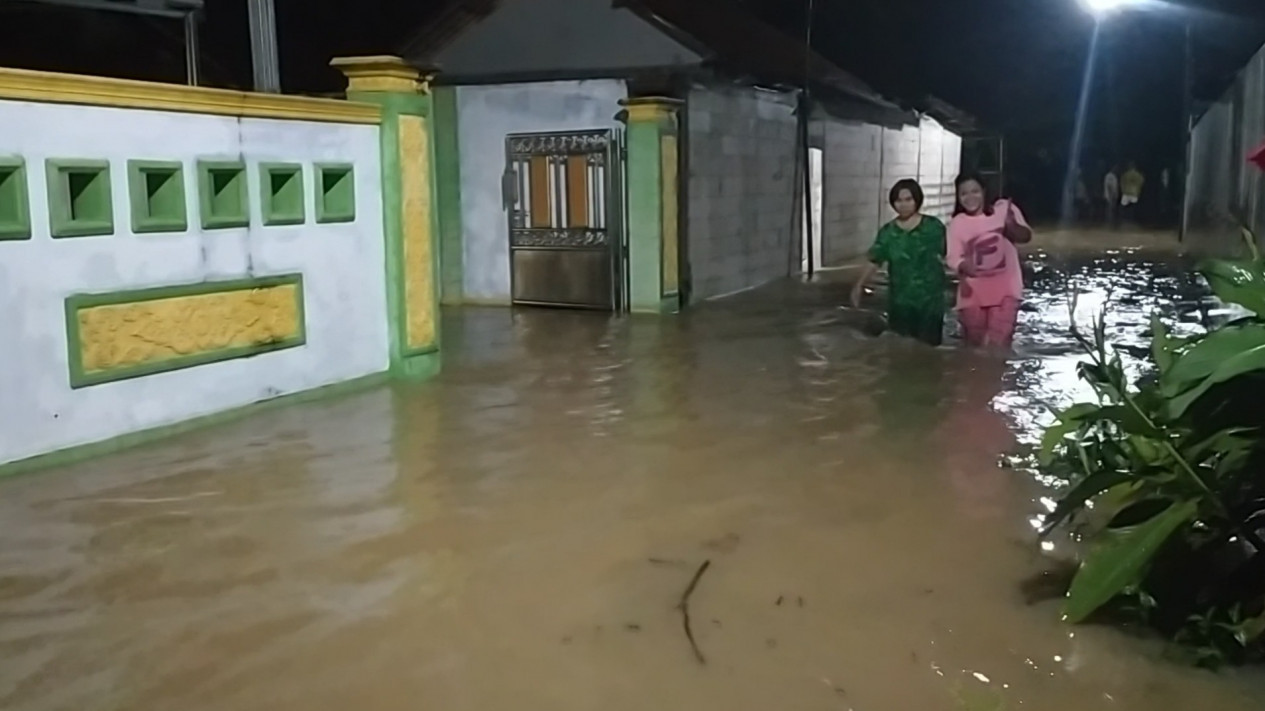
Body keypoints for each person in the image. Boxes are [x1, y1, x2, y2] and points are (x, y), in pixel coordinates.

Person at [851, 179, 947, 346]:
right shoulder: (888, 232)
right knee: (901, 350)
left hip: (930, 302)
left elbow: (949, 255)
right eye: (898, 200)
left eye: (908, 199)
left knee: (929, 352)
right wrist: (859, 285)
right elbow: (875, 260)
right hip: (900, 302)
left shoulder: (933, 227)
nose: (903, 205)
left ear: (917, 200)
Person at [946, 173, 1033, 349]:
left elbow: (1026, 236)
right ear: (958, 197)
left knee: (998, 345)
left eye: (975, 191)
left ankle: (1000, 376)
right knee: (975, 347)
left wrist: (1011, 225)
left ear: (984, 191)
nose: (970, 197)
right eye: (964, 193)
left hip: (1006, 289)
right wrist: (963, 265)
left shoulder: (1003, 210)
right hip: (973, 293)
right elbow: (952, 257)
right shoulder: (957, 223)